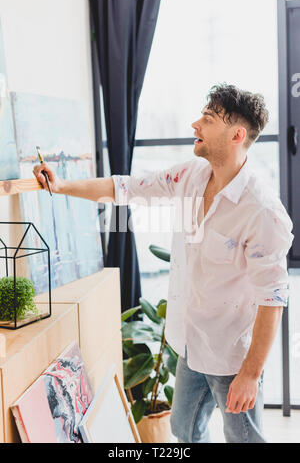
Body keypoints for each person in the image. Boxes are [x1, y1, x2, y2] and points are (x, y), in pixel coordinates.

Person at [33, 84, 294, 443]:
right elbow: (125, 188)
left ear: (237, 134)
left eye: (207, 119)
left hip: (234, 353)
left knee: (244, 438)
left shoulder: (262, 211)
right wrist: (62, 186)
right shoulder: (189, 176)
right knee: (183, 429)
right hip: (190, 343)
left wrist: (250, 373)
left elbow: (273, 298)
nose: (195, 124)